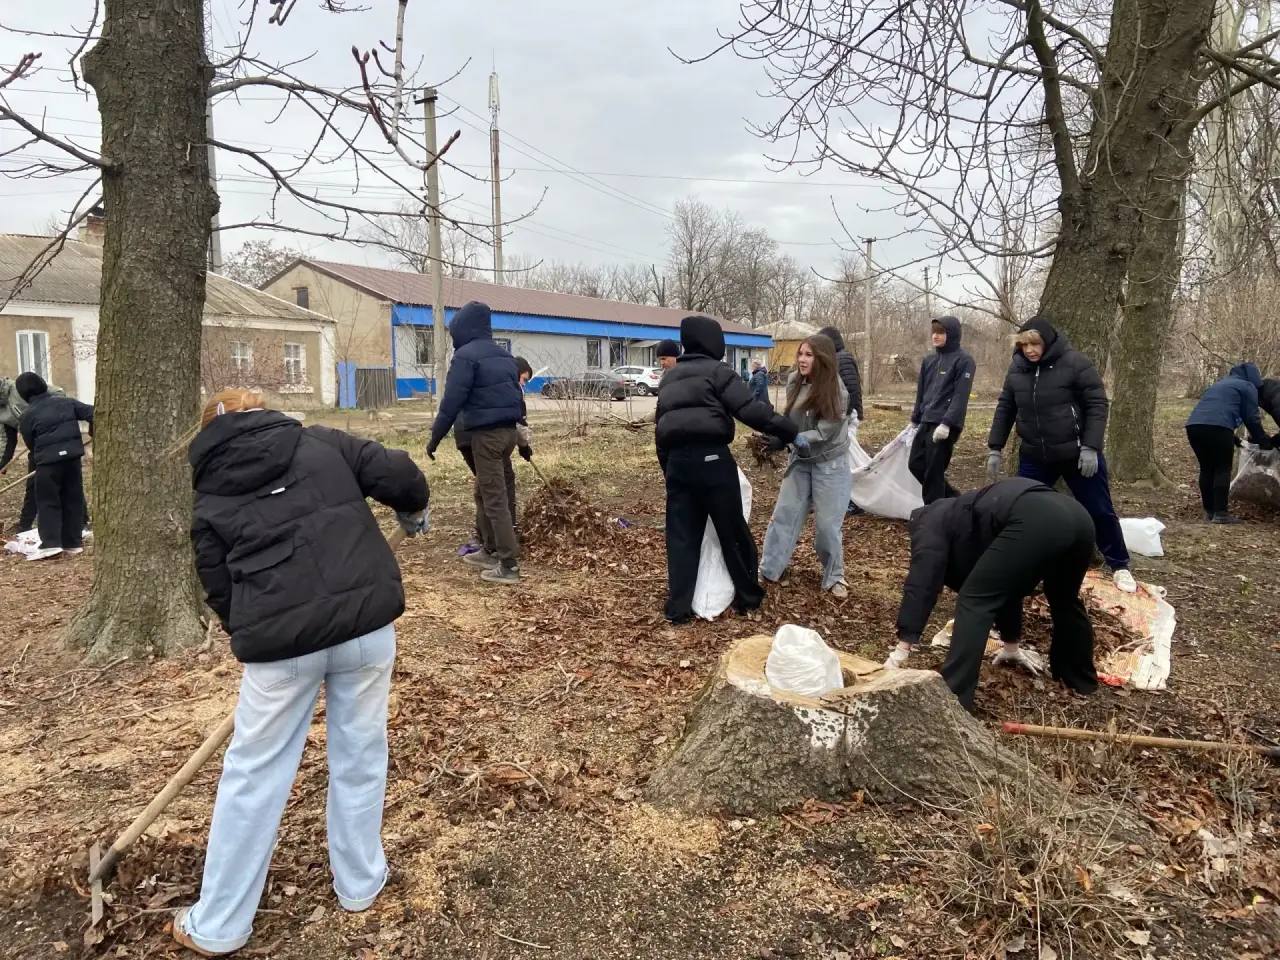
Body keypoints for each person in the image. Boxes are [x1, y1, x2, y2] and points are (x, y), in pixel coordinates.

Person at [173, 388, 428, 956]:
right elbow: (402, 476)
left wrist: (255, 630)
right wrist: (414, 510)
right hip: (364, 628)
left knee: (255, 774)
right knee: (361, 753)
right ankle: (361, 883)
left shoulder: (208, 489)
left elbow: (217, 583)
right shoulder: (322, 442)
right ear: (264, 411)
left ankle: (219, 925)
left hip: (282, 647)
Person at [884, 478, 1098, 710]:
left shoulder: (929, 524)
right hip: (1079, 517)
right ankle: (1079, 680)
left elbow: (922, 582)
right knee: (1065, 599)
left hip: (1037, 516)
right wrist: (1011, 646)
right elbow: (1006, 585)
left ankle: (955, 700)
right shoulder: (968, 519)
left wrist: (901, 650)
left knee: (975, 599)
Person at [656, 315, 798, 623]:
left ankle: (678, 608)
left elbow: (661, 429)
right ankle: (748, 597)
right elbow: (750, 410)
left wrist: (670, 470)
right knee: (732, 531)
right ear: (713, 342)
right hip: (713, 462)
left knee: (681, 537)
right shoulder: (718, 372)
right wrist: (788, 429)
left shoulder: (669, 379)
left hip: (678, 465)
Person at [986, 317, 1137, 593]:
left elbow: (1097, 404)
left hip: (1076, 453)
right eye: (1024, 345)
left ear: (1047, 342)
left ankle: (1119, 564)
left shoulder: (1075, 363)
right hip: (1035, 454)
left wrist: (1091, 447)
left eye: (1035, 344)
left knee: (1099, 509)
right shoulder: (1017, 369)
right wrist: (995, 446)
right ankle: (1025, 564)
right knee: (1025, 509)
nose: (1030, 350)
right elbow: (1006, 407)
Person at [426, 301, 525, 584]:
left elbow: (451, 403)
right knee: (483, 493)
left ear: (463, 328)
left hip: (487, 437)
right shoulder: (505, 356)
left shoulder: (466, 357)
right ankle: (490, 549)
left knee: (494, 498)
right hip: (507, 435)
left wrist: (435, 438)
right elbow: (517, 400)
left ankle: (508, 565)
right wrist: (521, 439)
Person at [760, 335, 853, 598]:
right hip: (801, 461)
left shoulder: (837, 391)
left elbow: (825, 433)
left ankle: (835, 576)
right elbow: (790, 419)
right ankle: (769, 569)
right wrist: (781, 437)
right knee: (784, 515)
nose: (802, 359)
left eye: (809, 355)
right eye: (800, 354)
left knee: (827, 526)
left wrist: (794, 438)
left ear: (822, 358)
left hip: (830, 464)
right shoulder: (795, 381)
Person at [456, 356, 534, 552]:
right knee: (502, 483)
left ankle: (484, 536)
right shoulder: (510, 389)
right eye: (524, 379)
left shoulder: (488, 381)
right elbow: (518, 423)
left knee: (485, 486)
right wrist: (524, 446)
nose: (523, 384)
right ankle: (504, 538)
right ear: (515, 373)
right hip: (483, 438)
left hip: (465, 435)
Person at [15, 373, 93, 561]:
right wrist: (93, 430)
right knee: (73, 499)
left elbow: (31, 443)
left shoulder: (27, 416)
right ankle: (73, 542)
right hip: (72, 459)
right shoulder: (66, 402)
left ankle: (51, 544)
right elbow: (92, 412)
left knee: (48, 501)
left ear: (22, 394)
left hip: (47, 463)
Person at [1185, 362, 1274, 524]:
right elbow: (1251, 417)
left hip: (1194, 426)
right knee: (1222, 468)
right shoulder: (1247, 386)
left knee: (1206, 468)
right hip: (1219, 427)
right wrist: (1263, 440)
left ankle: (1209, 511)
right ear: (1253, 377)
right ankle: (1221, 514)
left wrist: (1233, 438)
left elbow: (1213, 412)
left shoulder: (1219, 385)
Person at [908, 316, 974, 504]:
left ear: (951, 334)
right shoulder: (929, 360)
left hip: (945, 424)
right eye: (934, 332)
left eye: (941, 333)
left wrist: (947, 423)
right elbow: (921, 391)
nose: (935, 336)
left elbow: (961, 396)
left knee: (933, 471)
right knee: (915, 464)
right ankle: (954, 500)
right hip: (926, 420)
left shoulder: (964, 360)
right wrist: (915, 418)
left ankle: (933, 512)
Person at [816, 325, 864, 423]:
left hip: (848, 415)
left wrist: (846, 414)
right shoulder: (835, 357)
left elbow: (852, 389)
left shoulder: (842, 358)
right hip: (843, 414)